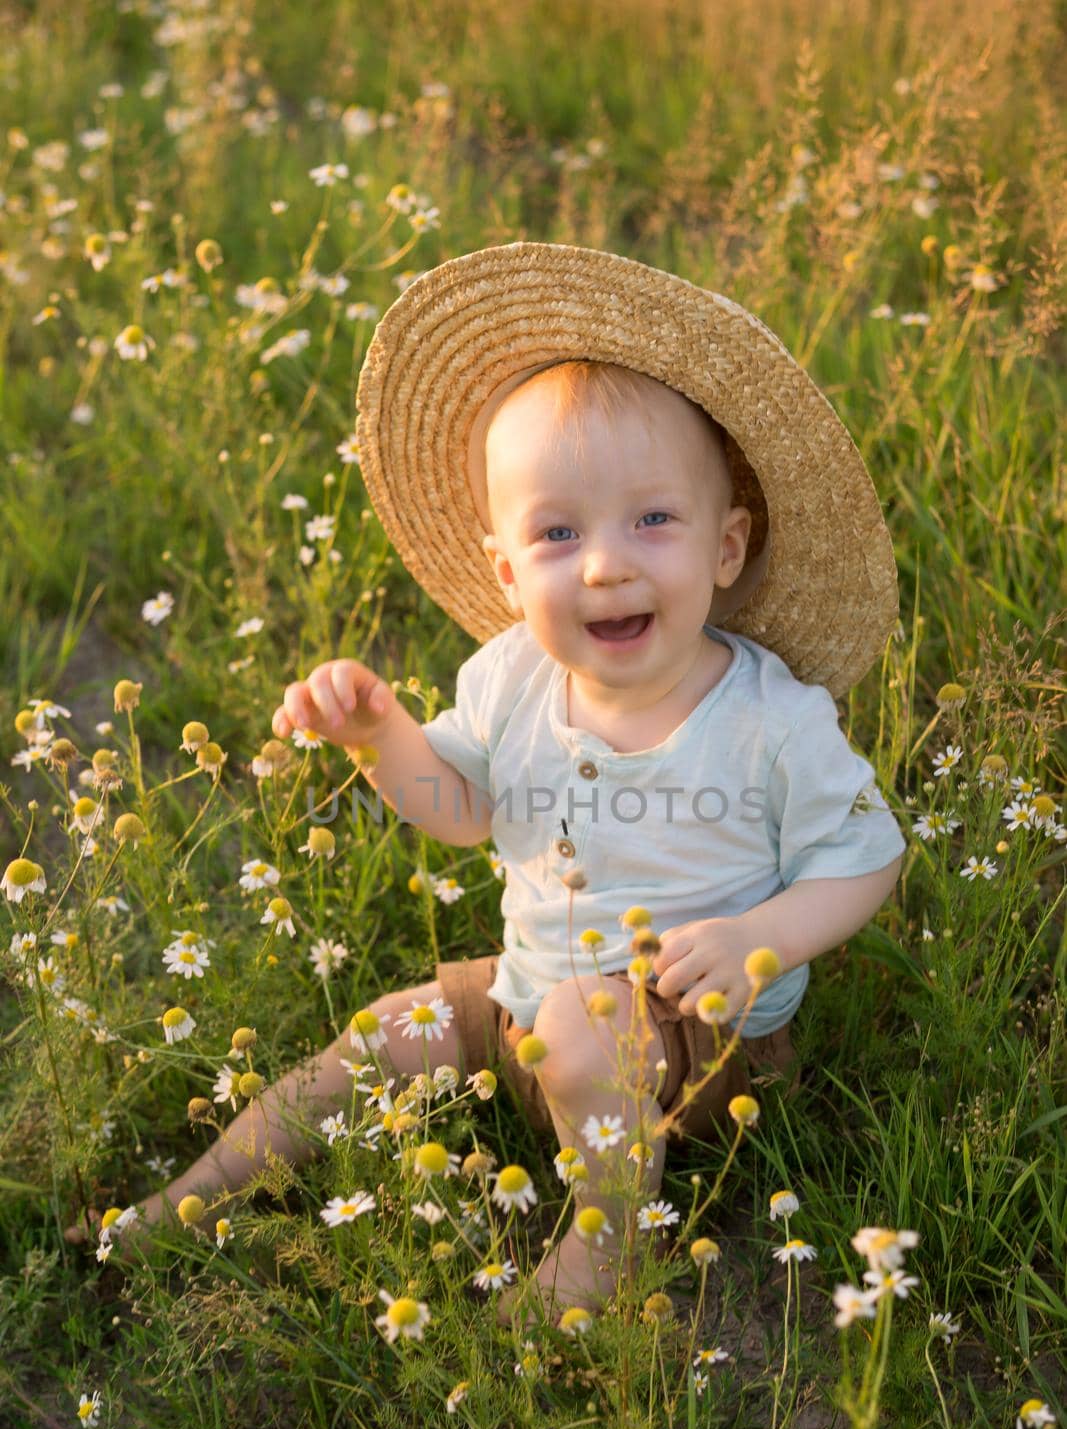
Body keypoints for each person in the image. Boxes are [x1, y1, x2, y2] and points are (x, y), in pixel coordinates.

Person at [71, 242, 907, 1325]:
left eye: (651, 519)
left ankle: (606, 1251)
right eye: (557, 533)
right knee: (384, 1031)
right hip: (525, 1004)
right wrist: (381, 737)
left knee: (582, 1018)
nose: (603, 562)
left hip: (701, 1045)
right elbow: (461, 813)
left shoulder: (767, 720)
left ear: (726, 547)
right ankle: (192, 1197)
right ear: (509, 575)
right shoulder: (511, 676)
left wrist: (768, 937)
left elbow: (865, 854)